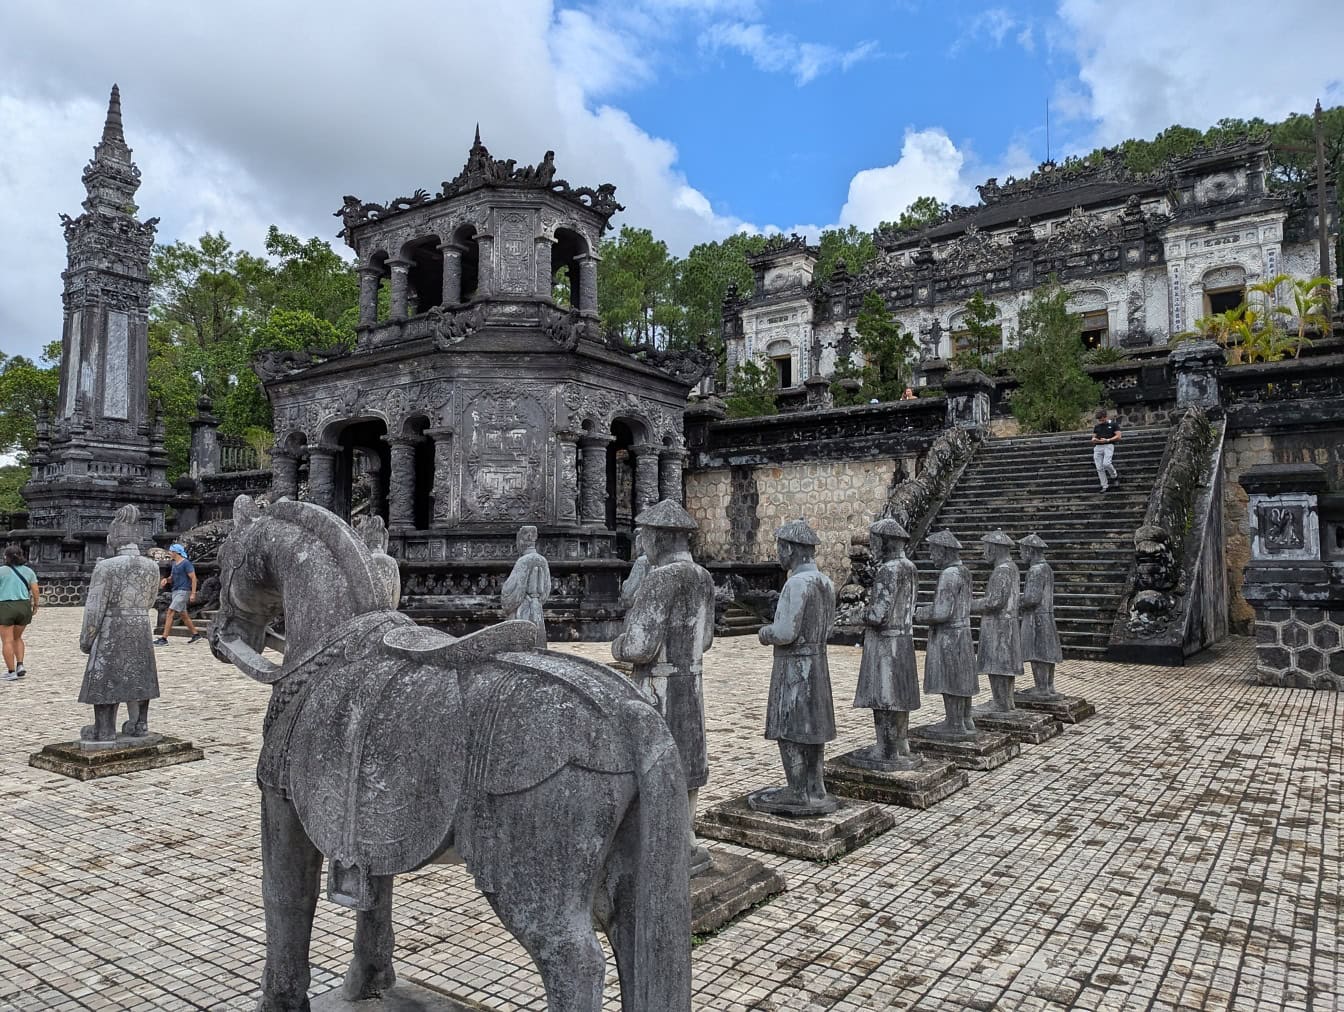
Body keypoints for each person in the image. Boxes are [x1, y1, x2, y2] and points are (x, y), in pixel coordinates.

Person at [611, 500, 716, 873]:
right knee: (687, 762)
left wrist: (618, 645)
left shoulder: (660, 578)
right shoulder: (702, 576)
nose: (644, 544)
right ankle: (685, 840)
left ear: (660, 537)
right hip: (692, 682)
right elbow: (705, 639)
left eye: (647, 536)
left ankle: (659, 846)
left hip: (658, 686)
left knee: (653, 763)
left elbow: (640, 646)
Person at [752, 517, 838, 816]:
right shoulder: (825, 581)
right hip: (818, 663)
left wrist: (765, 633)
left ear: (791, 548)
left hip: (794, 667)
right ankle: (816, 787)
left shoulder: (796, 583)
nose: (778, 552)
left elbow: (785, 632)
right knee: (813, 728)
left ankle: (796, 790)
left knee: (789, 728)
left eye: (780, 547)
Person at [79, 505, 161, 741]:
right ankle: (139, 723)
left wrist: (87, 639)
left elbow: (94, 608)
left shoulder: (106, 567)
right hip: (140, 625)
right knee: (140, 672)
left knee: (106, 675)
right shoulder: (152, 566)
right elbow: (151, 600)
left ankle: (104, 729)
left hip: (111, 628)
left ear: (114, 537)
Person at [852, 518, 920, 767]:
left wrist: (857, 615)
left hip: (885, 644)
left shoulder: (888, 570)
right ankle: (901, 745)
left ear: (885, 541)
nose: (873, 546)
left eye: (875, 540)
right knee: (900, 696)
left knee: (883, 698)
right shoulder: (910, 567)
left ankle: (885, 749)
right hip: (904, 639)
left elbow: (878, 614)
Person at [914, 529, 977, 740]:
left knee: (951, 679)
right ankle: (965, 719)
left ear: (945, 550)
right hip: (963, 632)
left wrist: (921, 613)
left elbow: (942, 612)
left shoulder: (949, 575)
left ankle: (954, 723)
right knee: (961, 678)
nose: (931, 555)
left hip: (950, 635)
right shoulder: (964, 571)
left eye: (934, 550)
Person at [970, 530, 1024, 713]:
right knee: (1004, 665)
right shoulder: (1012, 567)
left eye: (986, 548)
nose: (984, 552)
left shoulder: (1002, 571)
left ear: (995, 548)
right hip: (1007, 623)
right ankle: (1006, 701)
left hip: (998, 625)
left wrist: (969, 605)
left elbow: (994, 602)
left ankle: (1000, 702)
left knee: (998, 665)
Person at [1018, 533, 1064, 700]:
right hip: (1046, 615)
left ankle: (1042, 687)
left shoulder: (1035, 570)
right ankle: (1048, 686)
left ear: (1030, 550)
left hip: (1036, 617)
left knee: (1038, 653)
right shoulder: (1046, 568)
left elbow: (1032, 598)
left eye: (1022, 550)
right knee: (1046, 652)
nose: (1020, 554)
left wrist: (1016, 601)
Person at [501, 525, 551, 648]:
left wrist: (506, 599)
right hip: (537, 605)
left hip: (524, 606)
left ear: (522, 541)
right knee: (538, 636)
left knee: (522, 639)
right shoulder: (542, 560)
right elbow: (547, 587)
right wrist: (538, 600)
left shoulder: (523, 561)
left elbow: (513, 588)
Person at [0, 544, 39, 681]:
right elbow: (35, 590)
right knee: (17, 637)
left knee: (7, 641)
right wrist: (35, 605)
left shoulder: (1, 571)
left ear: (6, 557)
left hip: (5, 606)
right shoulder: (29, 571)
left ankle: (11, 672)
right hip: (23, 606)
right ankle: (20, 665)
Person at [155, 543, 202, 646]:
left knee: (170, 612)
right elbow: (172, 578)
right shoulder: (174, 564)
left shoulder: (186, 563)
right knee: (184, 615)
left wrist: (193, 593)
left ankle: (164, 638)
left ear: (176, 552)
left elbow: (193, 578)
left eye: (171, 552)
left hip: (183, 591)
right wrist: (166, 580)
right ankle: (196, 634)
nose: (170, 553)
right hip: (175, 591)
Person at [1091, 408, 1121, 493]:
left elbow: (1118, 436)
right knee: (1099, 468)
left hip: (1108, 445)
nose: (1101, 421)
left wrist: (1108, 440)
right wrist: (1094, 440)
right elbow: (1093, 437)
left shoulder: (1114, 424)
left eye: (1102, 419)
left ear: (1106, 417)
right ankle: (1104, 485)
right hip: (1098, 447)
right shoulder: (1097, 426)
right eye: (1099, 420)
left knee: (1106, 463)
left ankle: (1114, 476)